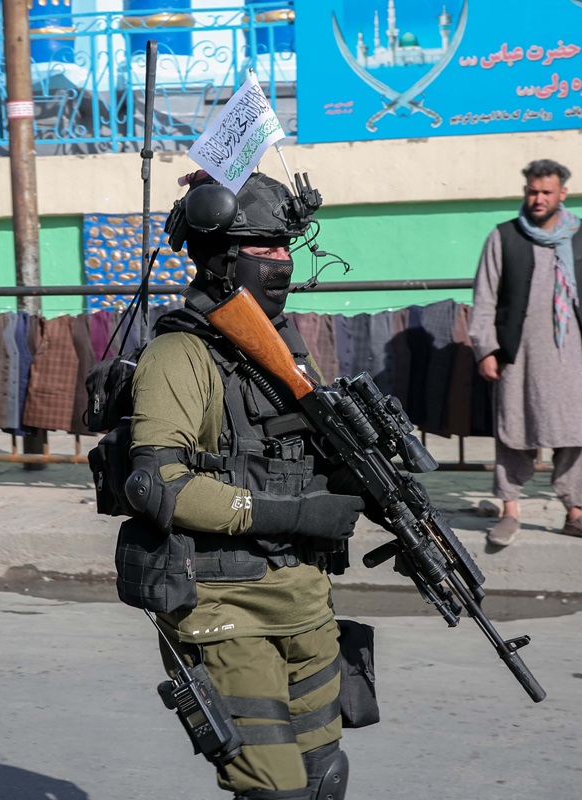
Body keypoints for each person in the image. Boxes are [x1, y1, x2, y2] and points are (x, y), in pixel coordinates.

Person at [121, 171, 363, 800]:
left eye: (287, 247)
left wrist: (362, 477)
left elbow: (306, 457)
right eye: (264, 249)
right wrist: (296, 516)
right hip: (226, 604)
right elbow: (159, 486)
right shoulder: (179, 356)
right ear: (224, 260)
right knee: (274, 790)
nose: (281, 263)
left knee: (321, 780)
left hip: (304, 598)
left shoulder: (284, 348)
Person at [469, 159, 582, 547]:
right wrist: (485, 348)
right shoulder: (503, 236)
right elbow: (485, 298)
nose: (538, 199)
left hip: (572, 353)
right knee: (513, 431)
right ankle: (510, 510)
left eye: (546, 193)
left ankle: (575, 513)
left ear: (562, 194)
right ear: (526, 192)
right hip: (517, 354)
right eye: (533, 192)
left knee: (576, 434)